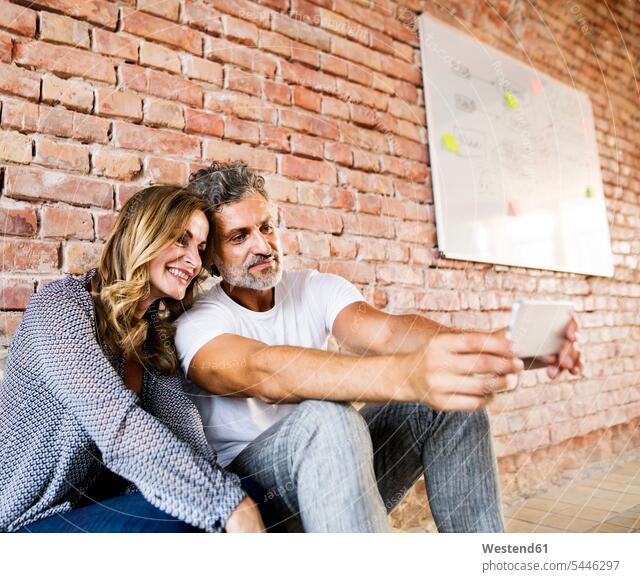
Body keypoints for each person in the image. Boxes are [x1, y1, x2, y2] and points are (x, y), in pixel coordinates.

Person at [175, 161, 584, 533]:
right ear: (211, 255)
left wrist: (501, 348)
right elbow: (266, 372)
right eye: (240, 236)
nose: (263, 246)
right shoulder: (198, 322)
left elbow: (387, 333)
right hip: (262, 504)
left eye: (266, 227)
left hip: (341, 478)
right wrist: (411, 375)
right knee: (326, 418)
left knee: (447, 401)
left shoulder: (312, 288)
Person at [0, 185, 264, 533]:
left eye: (199, 248)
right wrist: (226, 503)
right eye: (181, 239)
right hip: (24, 525)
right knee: (204, 508)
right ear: (143, 235)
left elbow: (186, 435)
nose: (195, 262)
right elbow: (119, 429)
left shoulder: (153, 336)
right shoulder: (61, 307)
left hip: (97, 513)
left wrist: (232, 496)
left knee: (245, 491)